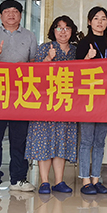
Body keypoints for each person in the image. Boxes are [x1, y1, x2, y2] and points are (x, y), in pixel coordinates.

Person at [0, 0, 37, 194]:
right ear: (1, 15)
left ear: (20, 15)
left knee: (19, 139)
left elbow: (34, 64)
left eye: (15, 11)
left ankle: (18, 179)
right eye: (7, 11)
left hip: (21, 95)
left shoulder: (29, 35)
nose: (11, 15)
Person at [25, 15, 79, 195]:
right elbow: (35, 75)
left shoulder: (76, 51)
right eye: (59, 28)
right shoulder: (44, 48)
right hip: (45, 104)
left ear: (72, 31)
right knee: (44, 141)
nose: (63, 32)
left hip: (66, 104)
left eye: (66, 28)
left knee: (61, 142)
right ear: (53, 31)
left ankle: (59, 181)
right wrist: (48, 59)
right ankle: (44, 182)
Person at [75, 6, 107, 195]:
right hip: (87, 98)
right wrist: (87, 58)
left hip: (106, 99)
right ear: (89, 21)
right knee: (86, 141)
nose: (100, 22)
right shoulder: (83, 44)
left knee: (100, 141)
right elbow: (76, 72)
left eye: (103, 18)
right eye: (96, 18)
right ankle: (85, 180)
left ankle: (96, 179)